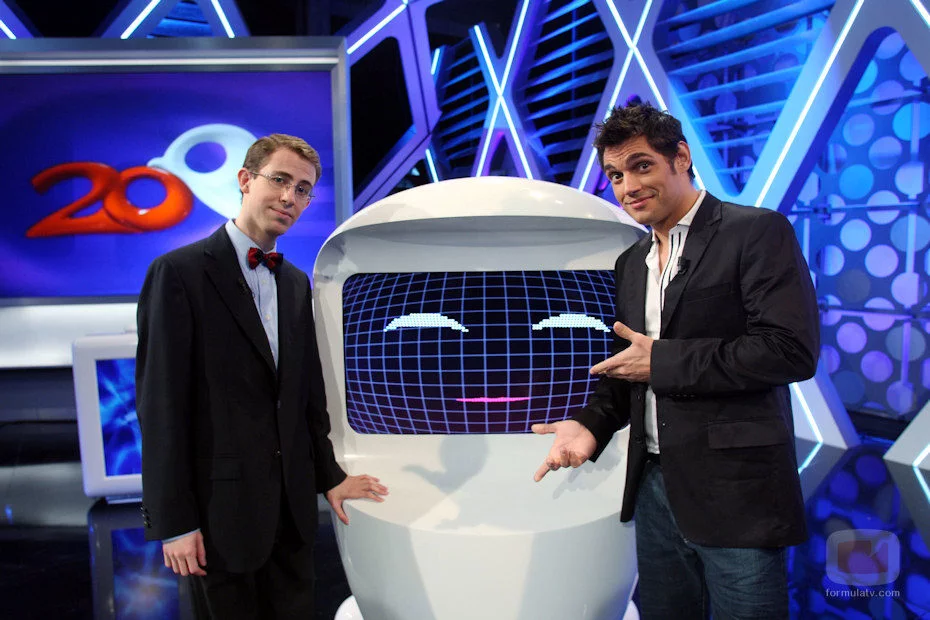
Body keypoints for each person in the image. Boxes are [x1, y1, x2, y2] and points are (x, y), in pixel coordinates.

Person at [533, 102, 819, 619]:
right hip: (654, 487)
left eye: (641, 166)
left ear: (681, 158)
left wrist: (663, 362)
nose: (628, 187)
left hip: (736, 491)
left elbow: (788, 350)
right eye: (615, 175)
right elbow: (629, 367)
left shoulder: (755, 231)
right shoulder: (630, 262)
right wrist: (589, 426)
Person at [136, 133, 388, 619]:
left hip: (291, 516)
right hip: (218, 517)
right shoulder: (178, 273)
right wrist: (174, 522)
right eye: (280, 180)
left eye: (303, 189)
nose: (290, 197)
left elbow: (305, 396)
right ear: (245, 180)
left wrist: (330, 477)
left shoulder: (294, 283)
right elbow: (160, 406)